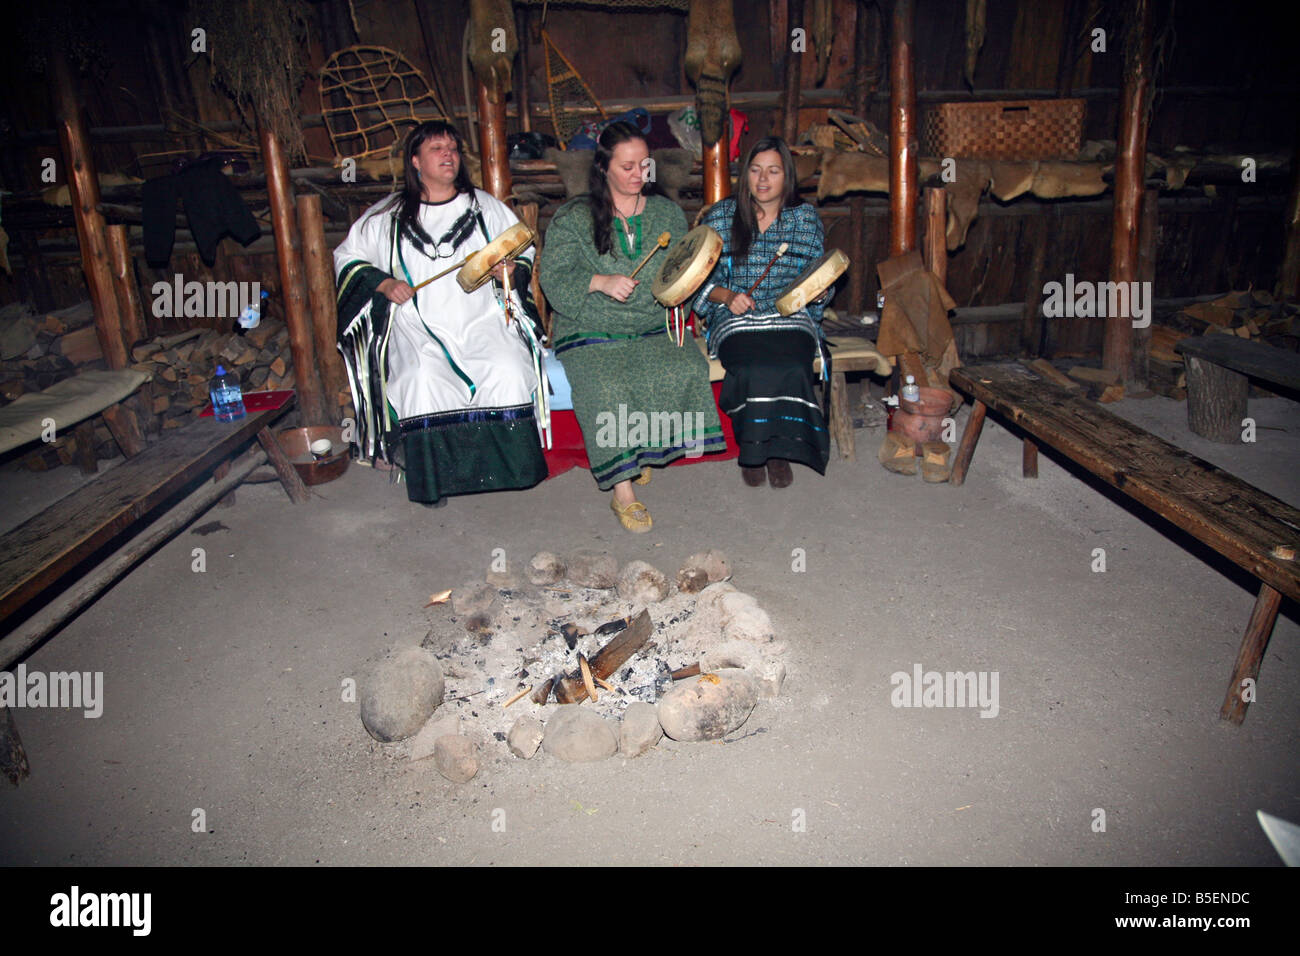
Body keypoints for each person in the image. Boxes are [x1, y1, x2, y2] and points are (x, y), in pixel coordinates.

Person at [334, 120, 548, 506]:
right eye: (437, 149)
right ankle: (436, 481)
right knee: (421, 377)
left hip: (482, 317)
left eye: (452, 148)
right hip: (418, 325)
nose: (448, 155)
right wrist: (384, 284)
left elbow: (522, 247)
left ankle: (512, 472)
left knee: (507, 368)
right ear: (415, 161)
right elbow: (346, 258)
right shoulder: (387, 217)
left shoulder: (485, 208)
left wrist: (510, 272)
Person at [538, 121, 726, 533]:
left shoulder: (666, 213)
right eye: (627, 167)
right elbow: (553, 275)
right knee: (605, 386)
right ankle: (623, 491)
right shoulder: (573, 218)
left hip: (649, 322)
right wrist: (599, 282)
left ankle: (636, 450)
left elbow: (681, 270)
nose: (639, 175)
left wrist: (689, 283)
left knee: (681, 369)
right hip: (590, 325)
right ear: (603, 167)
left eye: (644, 165)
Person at [692, 136, 831, 488]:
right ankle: (754, 451)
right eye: (755, 170)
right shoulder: (723, 216)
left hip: (791, 319)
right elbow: (697, 281)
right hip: (736, 320)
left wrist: (819, 293)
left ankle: (780, 451)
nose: (764, 180)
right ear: (745, 175)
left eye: (773, 171)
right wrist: (727, 297)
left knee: (789, 365)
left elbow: (815, 279)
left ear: (787, 176)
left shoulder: (805, 219)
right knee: (753, 366)